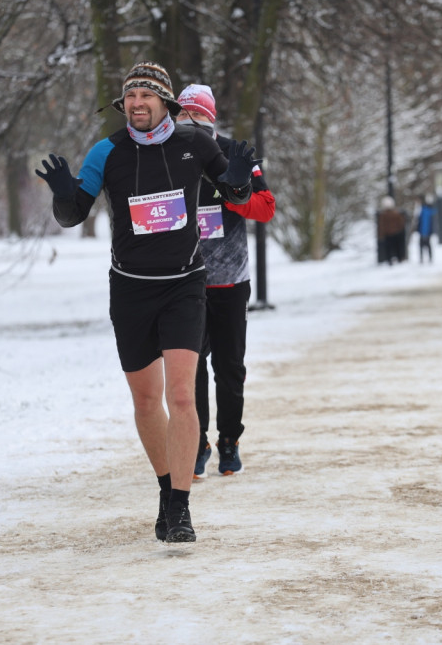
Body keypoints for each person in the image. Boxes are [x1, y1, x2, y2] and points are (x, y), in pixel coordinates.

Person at [36, 62, 258, 543]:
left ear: (166, 102)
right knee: (145, 400)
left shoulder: (195, 143)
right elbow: (75, 213)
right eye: (129, 96)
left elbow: (234, 193)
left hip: (184, 285)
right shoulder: (107, 151)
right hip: (131, 289)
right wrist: (61, 196)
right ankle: (165, 488)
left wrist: (239, 181)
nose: (136, 103)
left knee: (181, 395)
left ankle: (180, 509)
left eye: (145, 95)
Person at [173, 84, 276, 479]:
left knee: (230, 368)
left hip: (230, 281)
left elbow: (265, 209)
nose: (190, 125)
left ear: (210, 119)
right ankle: (196, 442)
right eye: (182, 117)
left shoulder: (234, 154)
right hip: (184, 280)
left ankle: (229, 442)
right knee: (190, 369)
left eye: (196, 117)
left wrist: (236, 191)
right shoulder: (168, 156)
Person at [377, 195, 407, 265]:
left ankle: (390, 259)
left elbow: (382, 226)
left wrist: (381, 234)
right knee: (396, 247)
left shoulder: (384, 215)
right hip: (395, 233)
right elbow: (401, 223)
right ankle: (399, 259)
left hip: (389, 234)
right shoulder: (395, 213)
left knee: (389, 248)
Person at [416, 195, 436, 264]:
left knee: (424, 245)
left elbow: (425, 222)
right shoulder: (428, 210)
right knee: (426, 245)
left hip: (425, 231)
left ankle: (425, 258)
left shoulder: (425, 210)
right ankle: (427, 258)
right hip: (425, 231)